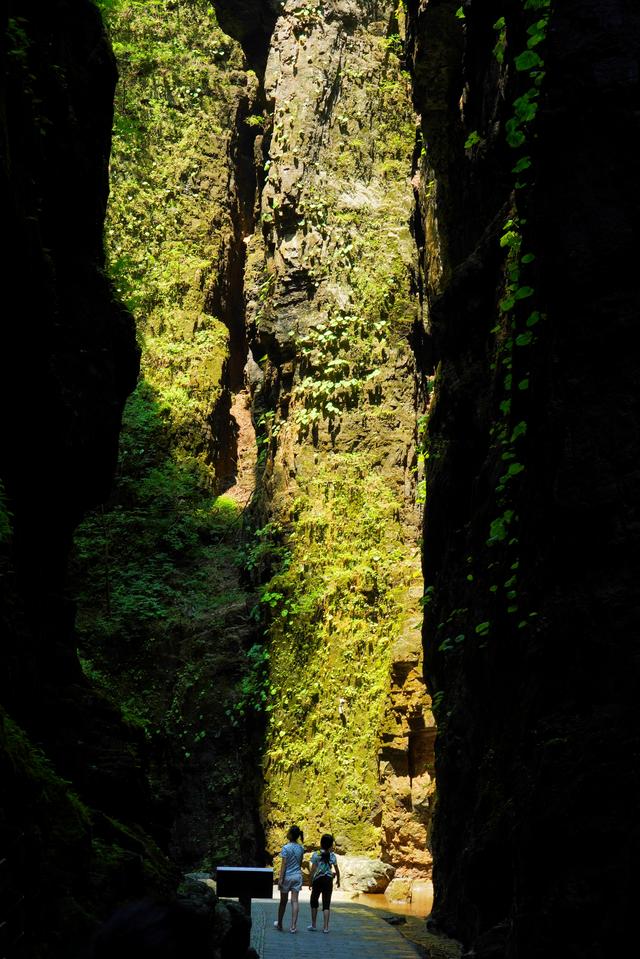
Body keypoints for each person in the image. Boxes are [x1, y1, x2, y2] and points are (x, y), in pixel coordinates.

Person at [274, 825, 305, 933]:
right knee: (295, 901)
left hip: (287, 876)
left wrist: (280, 879)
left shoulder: (286, 848)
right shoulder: (301, 848)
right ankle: (293, 926)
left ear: (291, 835)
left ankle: (280, 924)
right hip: (297, 876)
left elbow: (284, 865)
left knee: (283, 902)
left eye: (288, 832)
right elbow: (300, 863)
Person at [308, 833, 340, 933]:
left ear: (321, 843)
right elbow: (337, 869)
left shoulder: (316, 854)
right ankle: (326, 927)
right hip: (328, 880)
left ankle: (313, 925)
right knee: (326, 903)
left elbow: (313, 870)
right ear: (331, 845)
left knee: (314, 901)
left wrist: (310, 881)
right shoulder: (332, 855)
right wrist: (338, 879)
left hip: (318, 879)